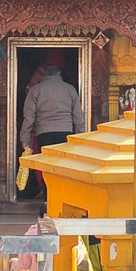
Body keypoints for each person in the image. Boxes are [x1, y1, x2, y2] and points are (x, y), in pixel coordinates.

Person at [19, 65, 85, 197]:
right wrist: (80, 137)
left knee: (47, 166)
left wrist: (24, 138)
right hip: (66, 133)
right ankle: (63, 196)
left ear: (44, 74)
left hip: (45, 133)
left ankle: (48, 198)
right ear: (59, 75)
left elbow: (29, 117)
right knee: (64, 166)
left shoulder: (36, 90)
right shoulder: (70, 89)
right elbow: (78, 116)